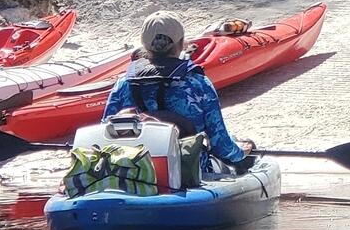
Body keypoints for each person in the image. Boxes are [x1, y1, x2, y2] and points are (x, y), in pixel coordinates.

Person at [104, 11, 254, 174]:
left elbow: (105, 132)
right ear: (182, 43)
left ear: (143, 44)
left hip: (132, 172)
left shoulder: (122, 84)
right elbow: (220, 145)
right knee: (241, 159)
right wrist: (241, 152)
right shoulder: (198, 83)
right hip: (188, 173)